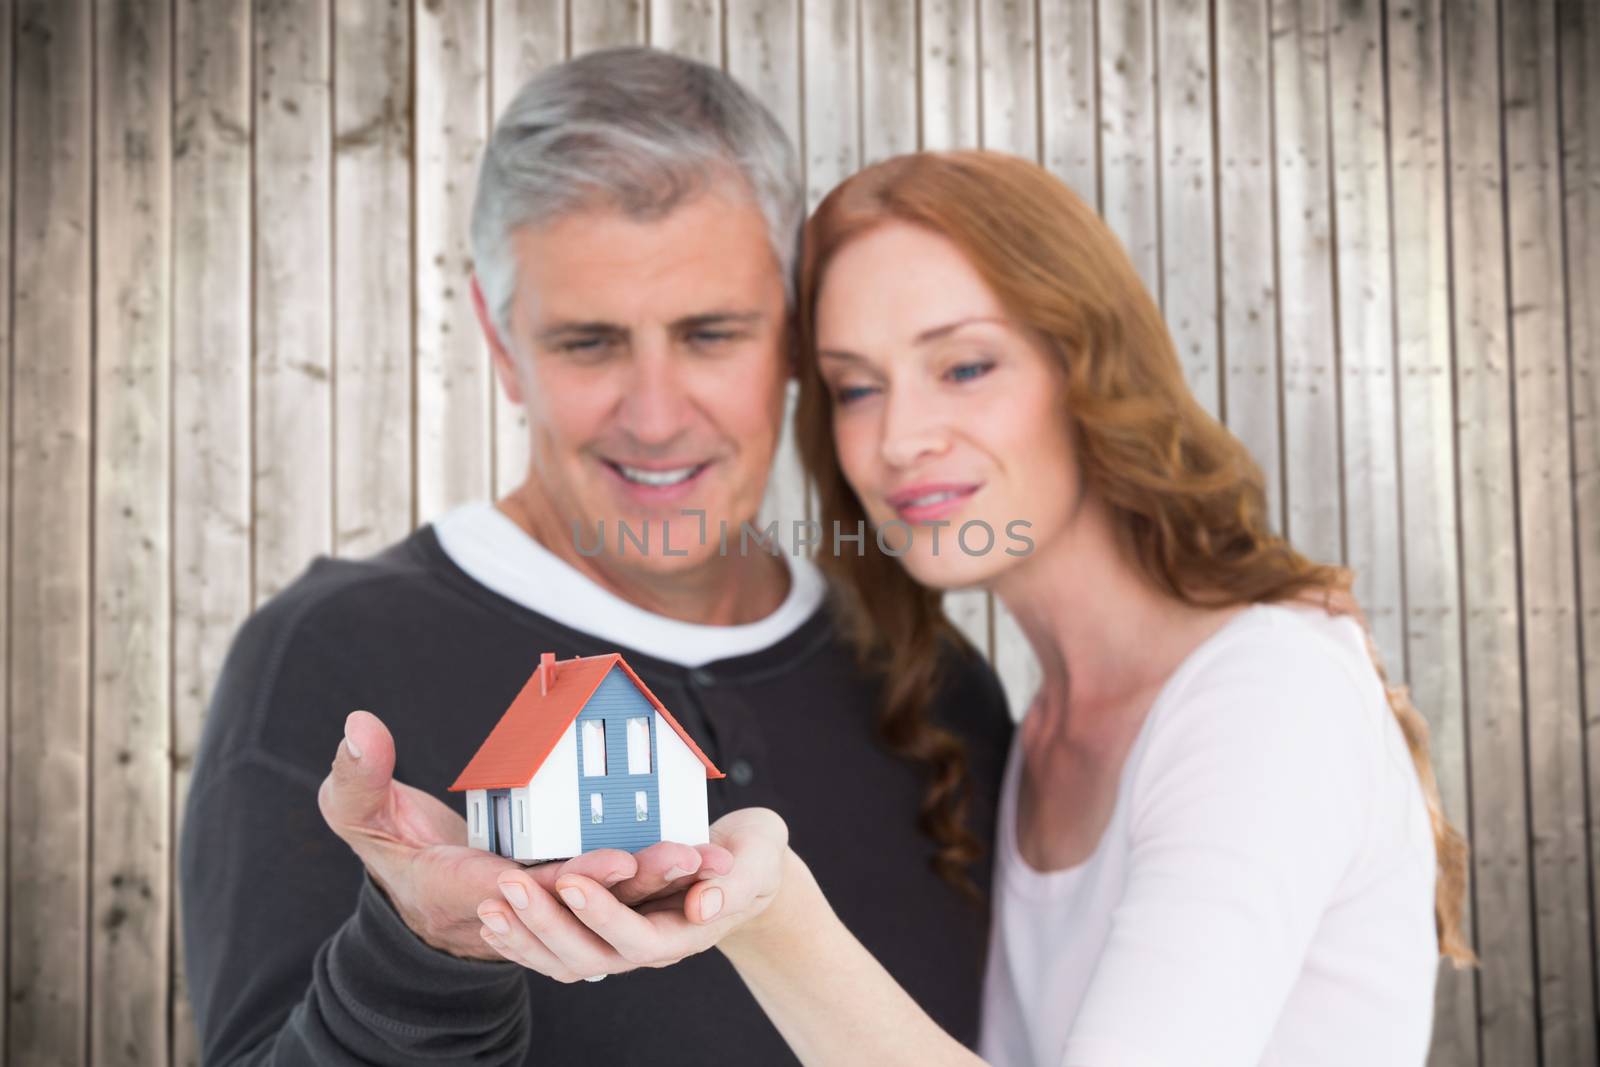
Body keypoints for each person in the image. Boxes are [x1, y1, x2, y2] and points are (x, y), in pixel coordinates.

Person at [468, 150, 1474, 1067]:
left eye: (964, 365)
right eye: (855, 388)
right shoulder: (1031, 722)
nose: (900, 436)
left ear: (1088, 367)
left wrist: (768, 915)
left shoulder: (1261, 696)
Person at [179, 54, 1013, 1066]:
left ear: (792, 330)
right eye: (588, 343)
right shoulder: (330, 659)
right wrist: (419, 957)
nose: (656, 417)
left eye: (711, 333)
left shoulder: (935, 684)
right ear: (499, 341)